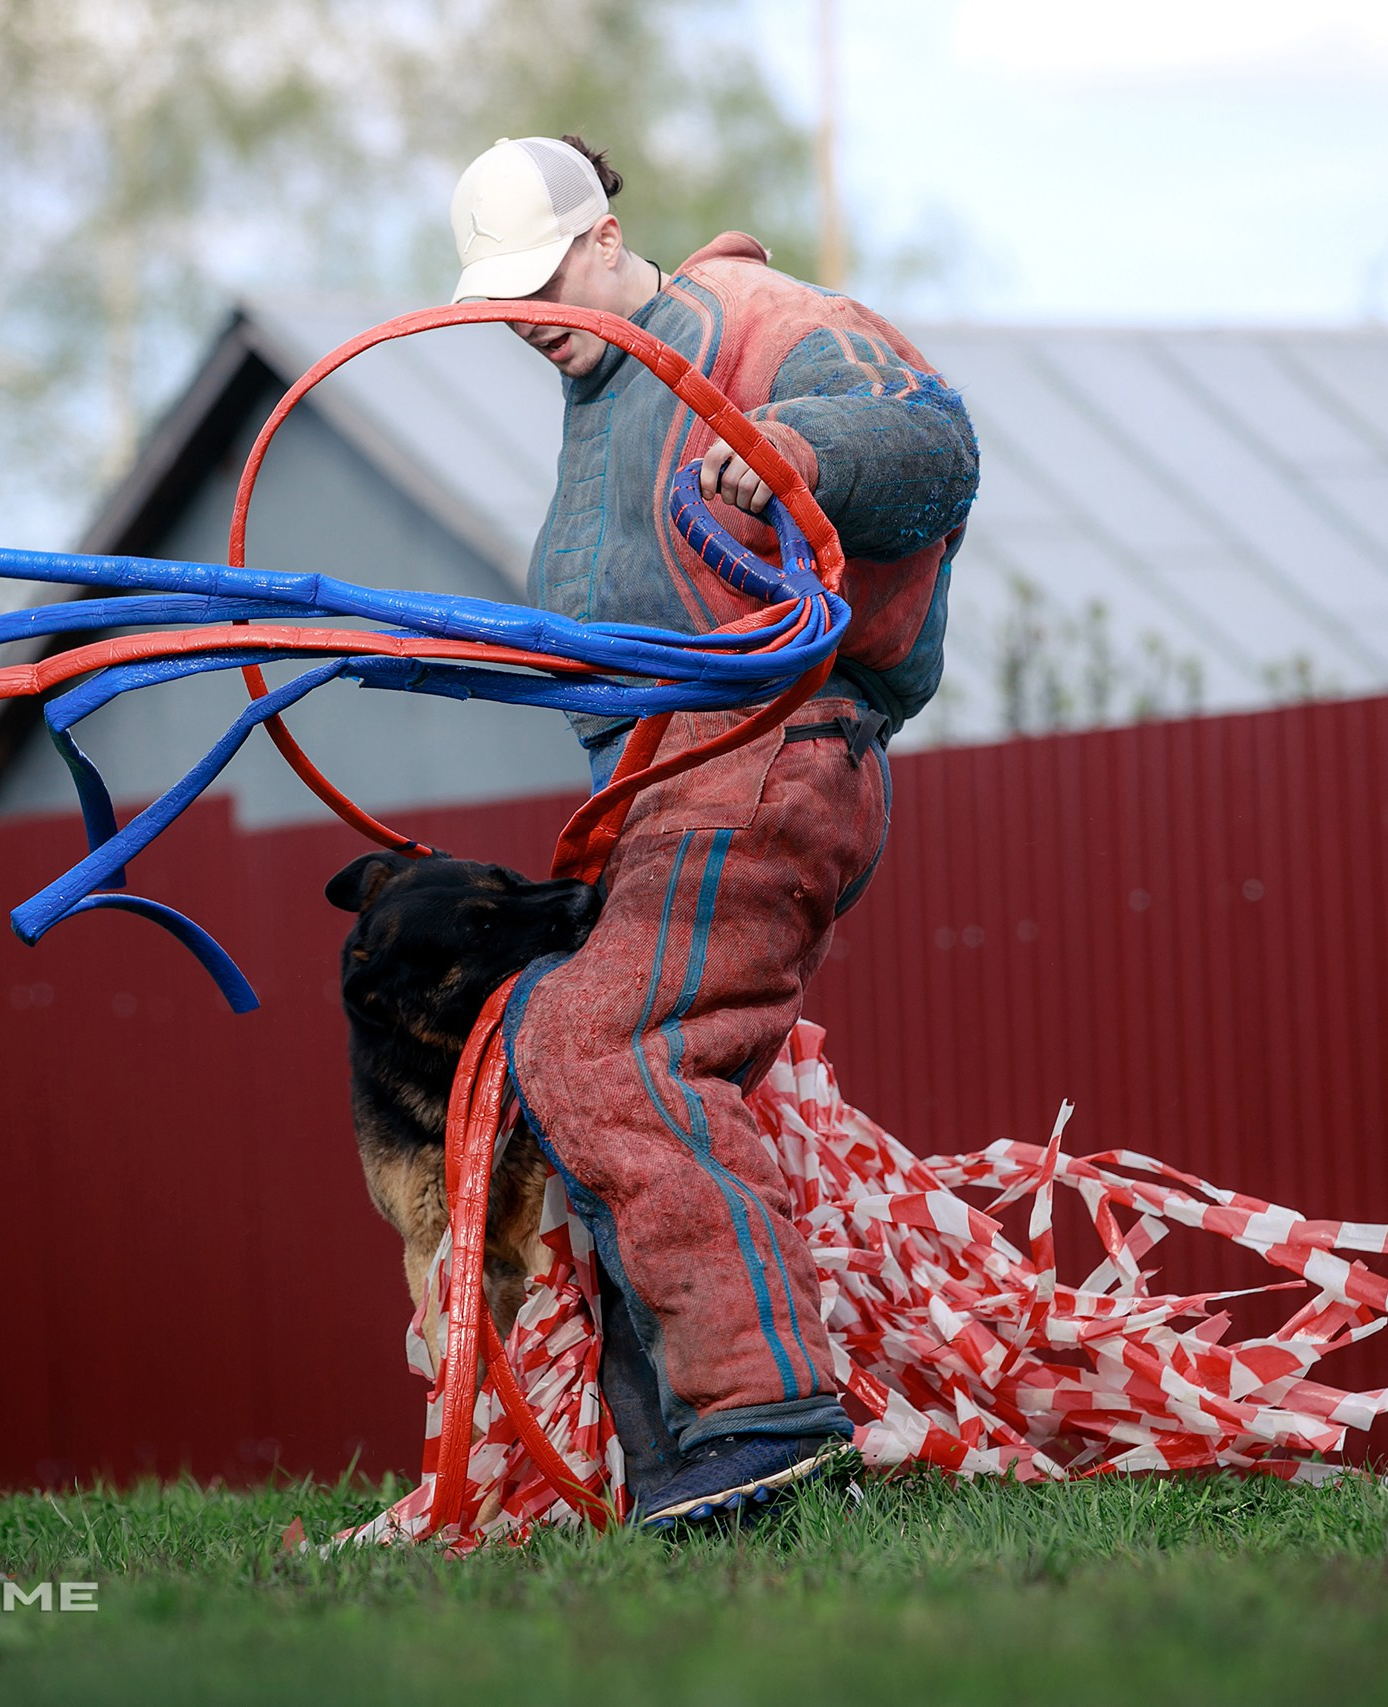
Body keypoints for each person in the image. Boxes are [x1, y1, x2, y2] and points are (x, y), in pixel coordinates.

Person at [453, 134, 978, 1527]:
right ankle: (671, 1448)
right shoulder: (602, 403)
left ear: (608, 235)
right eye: (507, 302)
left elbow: (933, 446)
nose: (532, 319)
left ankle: (766, 1422)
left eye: (548, 276)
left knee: (603, 1039)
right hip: (661, 784)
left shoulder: (764, 323)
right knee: (561, 1051)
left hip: (775, 742)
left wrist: (793, 454)